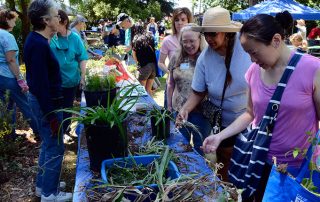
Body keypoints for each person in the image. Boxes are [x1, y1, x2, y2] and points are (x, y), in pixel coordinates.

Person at [202, 11, 320, 201]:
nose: (252, 60)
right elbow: (250, 114)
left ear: (275, 40)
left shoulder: (313, 69)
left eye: (254, 52)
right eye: (247, 53)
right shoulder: (254, 72)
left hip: (298, 170)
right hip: (260, 164)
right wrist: (219, 136)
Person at [177, 7, 252, 181]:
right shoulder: (205, 58)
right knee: (225, 163)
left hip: (250, 119)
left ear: (226, 33)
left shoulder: (246, 50)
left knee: (246, 164)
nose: (209, 39)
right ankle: (225, 191)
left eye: (213, 34)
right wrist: (185, 109)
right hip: (223, 123)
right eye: (206, 34)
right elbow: (198, 91)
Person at [24, 0, 72, 201]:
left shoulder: (39, 41)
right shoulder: (38, 45)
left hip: (46, 102)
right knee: (55, 146)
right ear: (45, 20)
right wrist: (51, 115)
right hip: (47, 104)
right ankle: (50, 194)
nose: (59, 18)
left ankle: (43, 184)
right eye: (55, 15)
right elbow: (40, 84)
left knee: (48, 144)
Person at [167, 23, 210, 155]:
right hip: (179, 110)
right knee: (179, 145)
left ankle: (198, 174)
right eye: (185, 41)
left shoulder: (207, 57)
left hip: (202, 112)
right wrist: (169, 106)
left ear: (200, 39)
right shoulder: (176, 57)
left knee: (200, 147)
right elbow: (170, 83)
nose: (188, 45)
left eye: (192, 41)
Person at [0, 9, 38, 139]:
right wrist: (20, 80)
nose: (15, 24)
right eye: (14, 20)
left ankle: (8, 135)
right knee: (26, 103)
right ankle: (40, 131)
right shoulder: (7, 36)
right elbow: (11, 60)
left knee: (7, 105)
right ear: (6, 20)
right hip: (9, 76)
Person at [50, 10, 88, 134]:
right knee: (55, 109)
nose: (53, 26)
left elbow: (82, 57)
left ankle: (65, 129)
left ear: (64, 22)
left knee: (67, 108)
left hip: (71, 81)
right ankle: (56, 132)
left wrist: (83, 76)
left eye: (57, 23)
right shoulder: (50, 37)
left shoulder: (75, 38)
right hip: (54, 82)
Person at [158, 7, 193, 108]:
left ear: (189, 20)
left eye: (183, 19)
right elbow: (160, 62)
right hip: (173, 85)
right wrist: (170, 72)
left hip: (191, 87)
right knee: (169, 116)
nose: (179, 23)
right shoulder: (167, 40)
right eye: (177, 20)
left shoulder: (196, 39)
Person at [132, 26, 157, 95]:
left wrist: (137, 63)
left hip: (144, 67)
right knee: (148, 90)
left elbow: (134, 54)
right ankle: (151, 106)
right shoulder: (150, 37)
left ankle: (145, 106)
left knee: (141, 92)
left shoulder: (136, 39)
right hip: (153, 66)